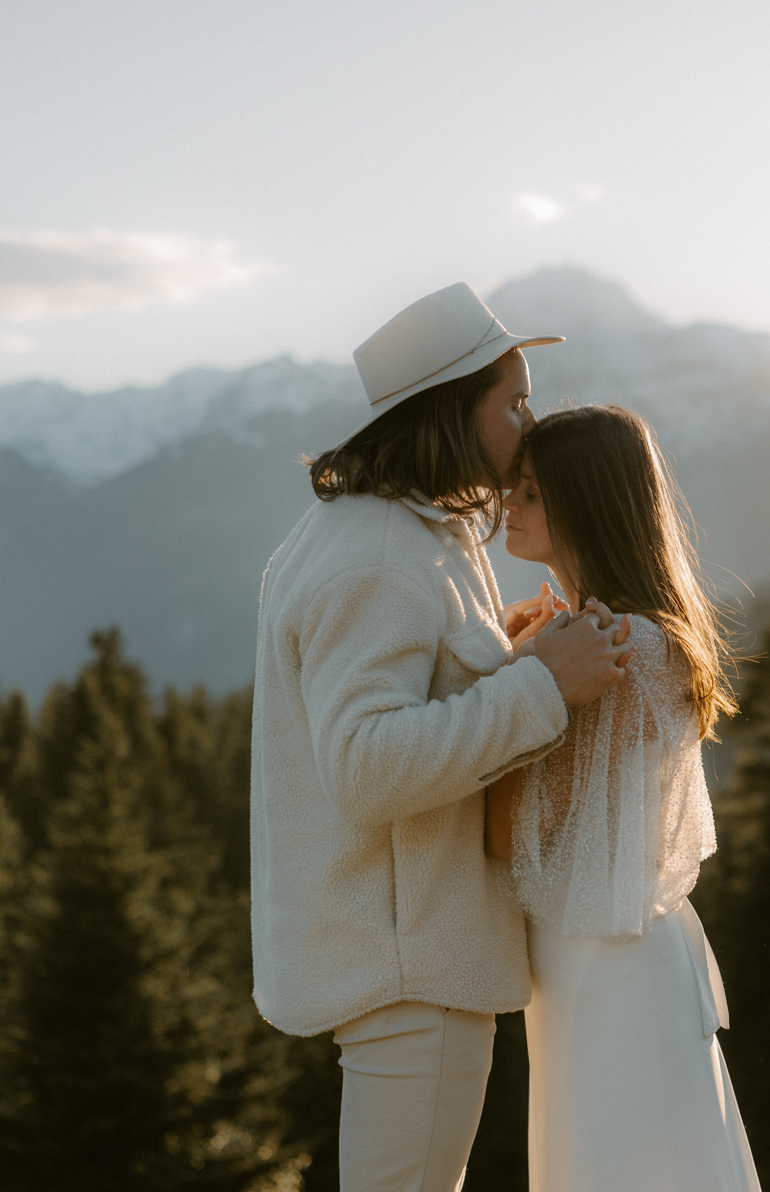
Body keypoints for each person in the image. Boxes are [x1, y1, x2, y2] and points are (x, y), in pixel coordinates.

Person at [250, 281, 633, 1192]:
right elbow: (367, 768)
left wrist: (496, 654)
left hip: (407, 958)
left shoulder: (393, 531)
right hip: (409, 973)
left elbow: (394, 692)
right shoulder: (383, 554)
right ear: (451, 411)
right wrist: (544, 685)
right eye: (511, 401)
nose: (528, 420)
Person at [486, 404, 762, 1192]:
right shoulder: (637, 635)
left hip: (600, 963)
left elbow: (512, 836)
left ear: (585, 502)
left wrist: (516, 684)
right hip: (626, 951)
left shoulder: (611, 646)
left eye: (532, 492)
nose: (510, 503)